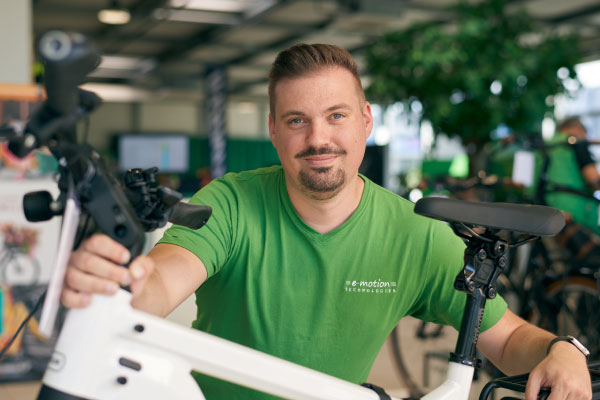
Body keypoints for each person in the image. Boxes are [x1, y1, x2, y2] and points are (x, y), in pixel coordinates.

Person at [61, 44, 592, 400]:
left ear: (365, 120)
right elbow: (158, 281)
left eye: (336, 115)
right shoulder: (230, 203)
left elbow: (504, 336)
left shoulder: (417, 231)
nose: (319, 139)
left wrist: (561, 349)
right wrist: (116, 280)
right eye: (297, 120)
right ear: (273, 130)